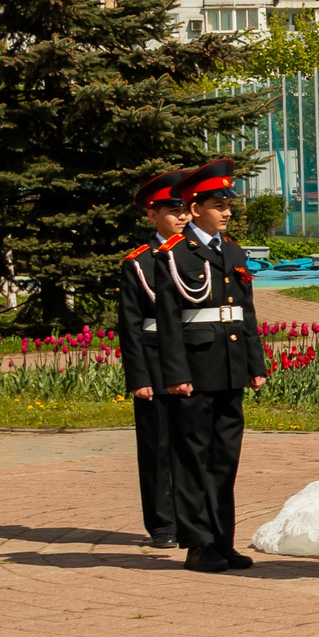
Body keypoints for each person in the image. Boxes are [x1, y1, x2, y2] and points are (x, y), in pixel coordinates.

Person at [156, 159, 267, 573]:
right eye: (218, 203)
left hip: (231, 365)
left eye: (228, 203)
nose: (227, 210)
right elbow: (168, 322)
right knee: (193, 459)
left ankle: (223, 539)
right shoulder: (173, 253)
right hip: (196, 367)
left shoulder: (233, 250)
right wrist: (177, 374)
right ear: (195, 207)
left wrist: (255, 364)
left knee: (225, 458)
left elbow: (245, 313)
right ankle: (199, 544)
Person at [117, 167, 192, 549]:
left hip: (195, 363)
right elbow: (130, 326)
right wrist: (139, 377)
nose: (181, 216)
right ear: (152, 214)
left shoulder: (199, 253)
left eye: (185, 209)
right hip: (157, 362)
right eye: (172, 210)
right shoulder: (139, 262)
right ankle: (163, 524)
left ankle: (191, 520)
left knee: (194, 446)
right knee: (158, 447)